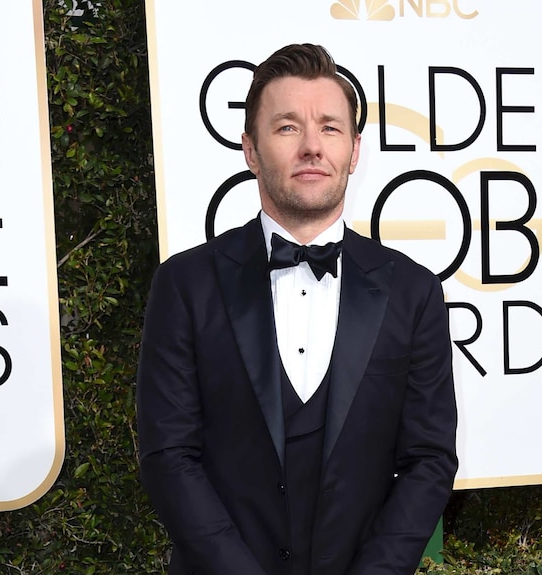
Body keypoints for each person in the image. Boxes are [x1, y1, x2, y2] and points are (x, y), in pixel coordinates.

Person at [137, 43, 458, 575]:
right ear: (250, 149)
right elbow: (168, 456)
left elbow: (430, 459)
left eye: (330, 127)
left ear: (355, 150)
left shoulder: (414, 291)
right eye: (287, 127)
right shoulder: (185, 284)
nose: (312, 146)